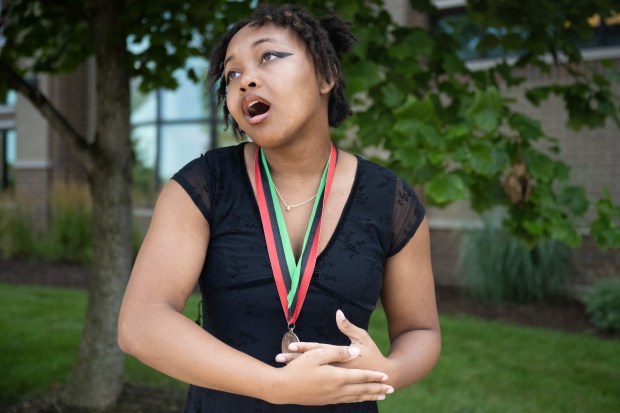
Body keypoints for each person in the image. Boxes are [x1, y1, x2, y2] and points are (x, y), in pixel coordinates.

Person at [118, 4, 441, 412]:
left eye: (268, 56)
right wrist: (276, 386)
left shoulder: (391, 201)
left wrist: (388, 372)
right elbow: (140, 324)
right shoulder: (203, 186)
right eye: (232, 73)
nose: (245, 79)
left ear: (326, 76)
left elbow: (421, 330)